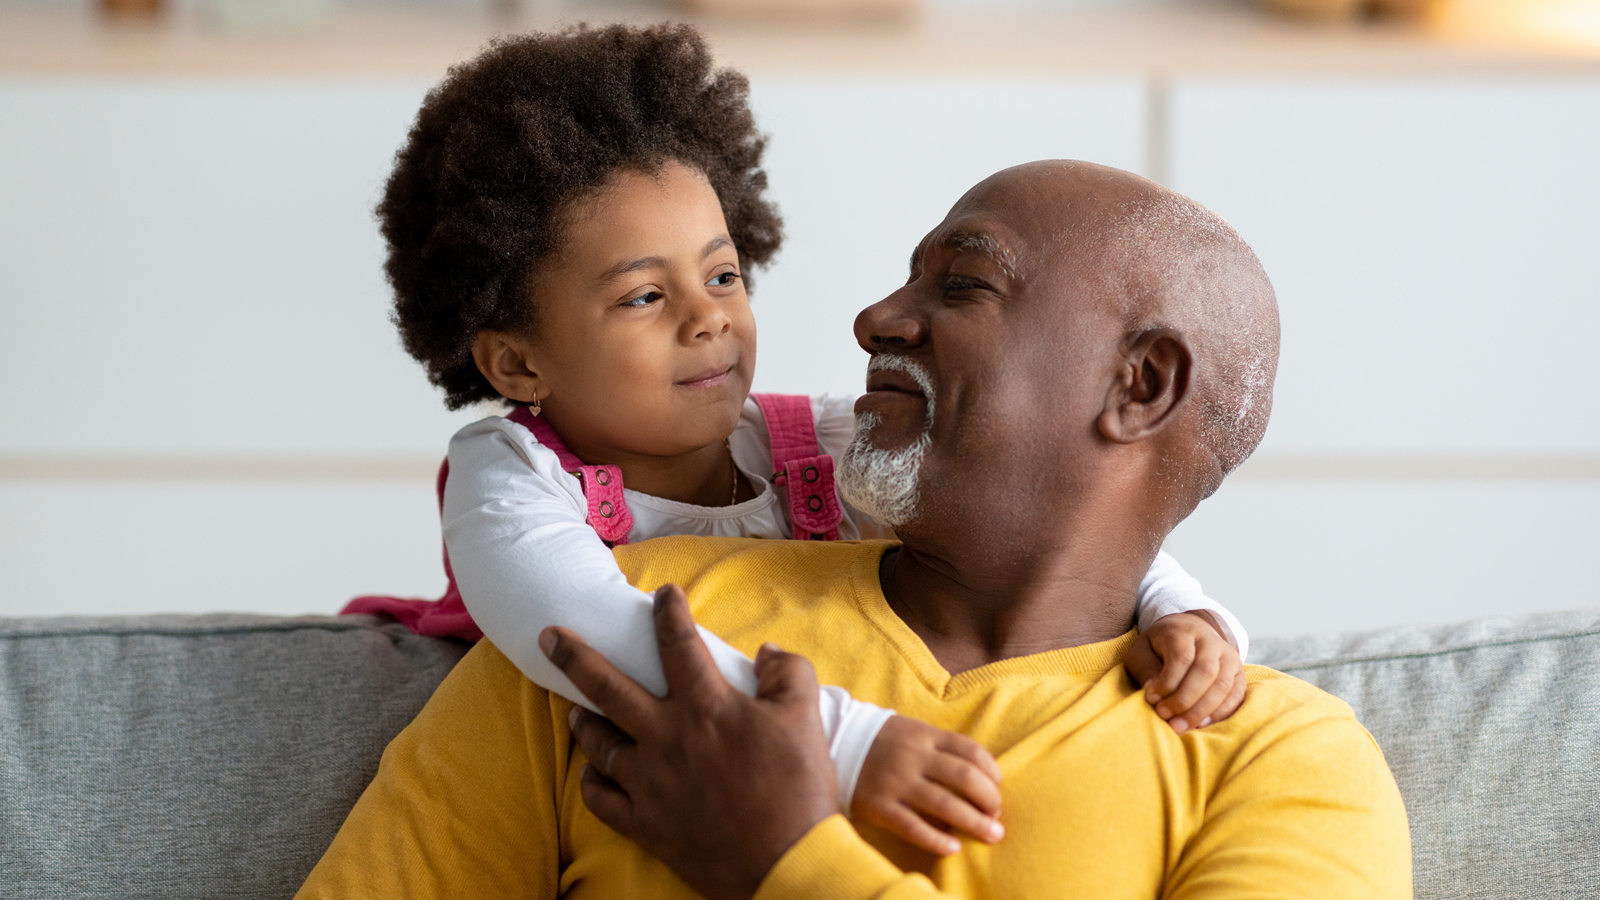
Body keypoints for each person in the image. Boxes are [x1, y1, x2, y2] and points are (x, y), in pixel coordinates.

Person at [296, 160, 1411, 899]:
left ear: (1139, 385)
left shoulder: (1276, 755)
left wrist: (782, 860)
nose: (873, 318)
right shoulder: (636, 627)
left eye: (963, 284)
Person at [345, 22, 1254, 859]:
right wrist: (844, 743)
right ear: (516, 362)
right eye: (644, 297)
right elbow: (584, 629)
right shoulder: (508, 478)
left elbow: (1045, 521)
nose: (710, 321)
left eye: (723, 273)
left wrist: (1180, 610)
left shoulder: (806, 443)